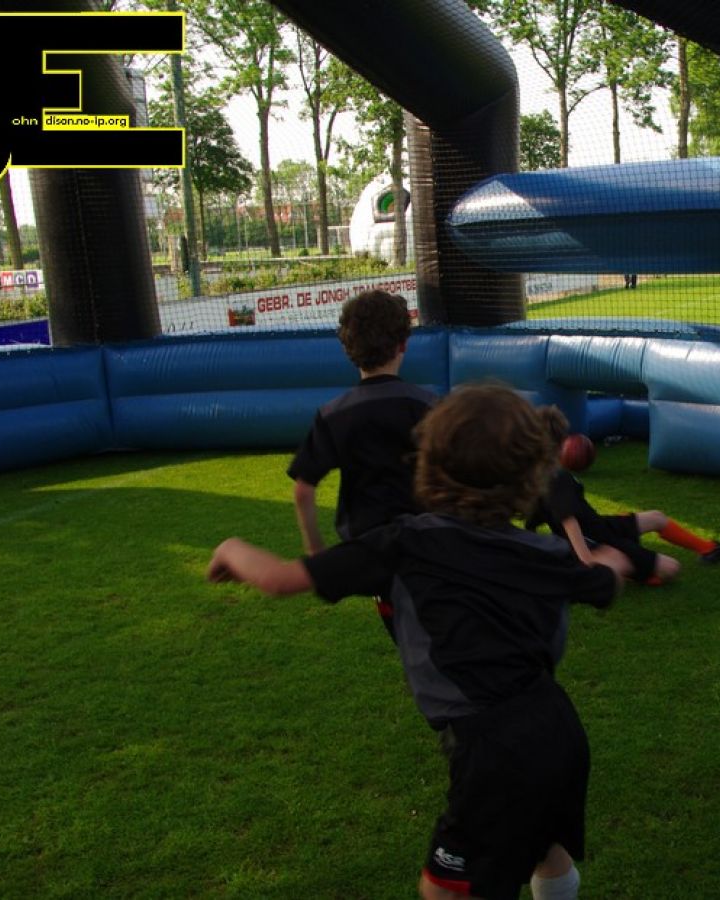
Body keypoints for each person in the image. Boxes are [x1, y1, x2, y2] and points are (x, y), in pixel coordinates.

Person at [208, 384, 631, 900]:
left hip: (491, 748)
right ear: (528, 478)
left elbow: (278, 579)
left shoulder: (406, 542)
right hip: (558, 728)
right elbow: (605, 581)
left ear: (429, 464)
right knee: (543, 845)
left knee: (443, 890)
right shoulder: (543, 552)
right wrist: (614, 561)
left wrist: (230, 548)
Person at [288, 289, 435, 556]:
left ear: (348, 348)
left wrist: (315, 551)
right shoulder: (428, 407)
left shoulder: (334, 415)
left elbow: (303, 490)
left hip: (363, 549)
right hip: (422, 543)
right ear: (403, 345)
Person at [526, 459, 720, 587]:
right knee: (672, 569)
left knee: (657, 517)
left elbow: (533, 523)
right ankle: (634, 573)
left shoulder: (542, 479)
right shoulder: (556, 477)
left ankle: (708, 549)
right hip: (597, 541)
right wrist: (587, 560)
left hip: (602, 526)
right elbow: (569, 521)